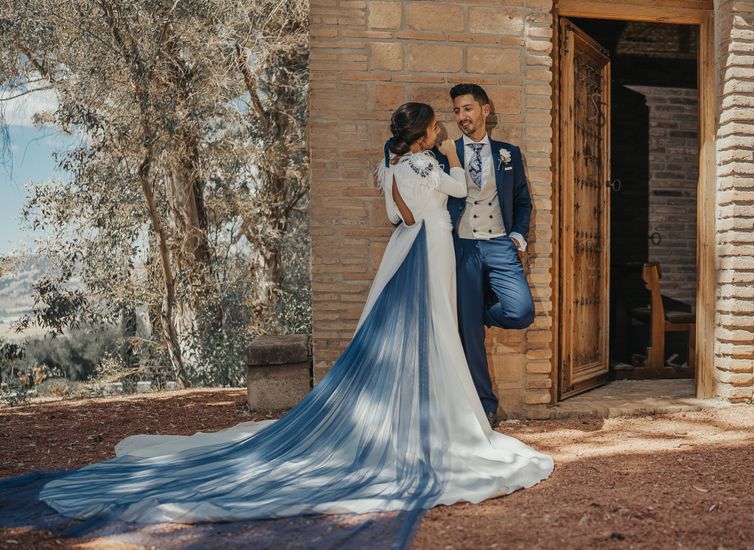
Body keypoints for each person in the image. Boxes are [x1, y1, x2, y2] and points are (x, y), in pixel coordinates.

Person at [33, 102, 553, 528]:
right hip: (433, 245)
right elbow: (458, 193)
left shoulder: (392, 167)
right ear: (423, 135)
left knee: (418, 327)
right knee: (434, 326)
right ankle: (438, 420)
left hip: (411, 245)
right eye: (436, 126)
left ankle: (413, 412)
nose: (443, 130)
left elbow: (400, 216)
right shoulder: (428, 163)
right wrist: (450, 158)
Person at [436, 84, 535, 429]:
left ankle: (475, 311)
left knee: (521, 311)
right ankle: (484, 405)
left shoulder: (509, 153)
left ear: (485, 110)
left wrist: (518, 237)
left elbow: (522, 201)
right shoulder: (444, 154)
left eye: (467, 109)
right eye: (457, 111)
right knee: (470, 336)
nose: (462, 117)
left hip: (499, 244)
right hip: (462, 245)